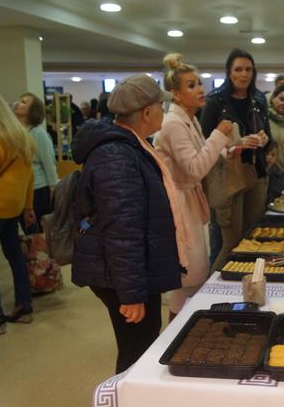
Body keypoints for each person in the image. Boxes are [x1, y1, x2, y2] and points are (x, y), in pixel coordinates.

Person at [71, 75, 183, 373]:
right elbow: (123, 231)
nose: (164, 111)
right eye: (161, 105)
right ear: (146, 112)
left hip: (131, 269)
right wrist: (131, 294)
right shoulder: (117, 156)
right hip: (122, 274)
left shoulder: (130, 146)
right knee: (137, 352)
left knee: (142, 345)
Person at [154, 53, 233, 319]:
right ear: (175, 94)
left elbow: (201, 154)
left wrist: (228, 150)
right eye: (191, 85)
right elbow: (196, 167)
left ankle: (182, 329)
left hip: (188, 197)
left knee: (190, 276)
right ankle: (176, 333)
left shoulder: (189, 118)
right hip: (178, 200)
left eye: (199, 83)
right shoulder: (173, 123)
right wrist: (220, 135)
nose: (200, 89)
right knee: (187, 275)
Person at [200, 48, 271, 271]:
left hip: (255, 172)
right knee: (229, 241)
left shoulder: (258, 98)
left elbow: (267, 134)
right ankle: (211, 292)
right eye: (238, 69)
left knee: (251, 237)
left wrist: (264, 139)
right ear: (229, 72)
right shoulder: (215, 100)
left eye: (248, 69)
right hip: (227, 177)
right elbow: (204, 142)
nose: (244, 74)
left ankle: (244, 284)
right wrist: (236, 144)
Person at [0, 88, 36, 339]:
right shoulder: (22, 138)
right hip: (13, 207)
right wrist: (28, 206)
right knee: (15, 255)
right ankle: (23, 305)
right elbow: (29, 178)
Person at [13, 92, 58, 233]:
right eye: (20, 100)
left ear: (32, 111)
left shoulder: (39, 134)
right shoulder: (15, 132)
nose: (18, 103)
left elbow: (49, 165)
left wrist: (53, 191)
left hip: (38, 190)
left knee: (37, 231)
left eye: (24, 102)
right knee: (27, 231)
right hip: (20, 189)